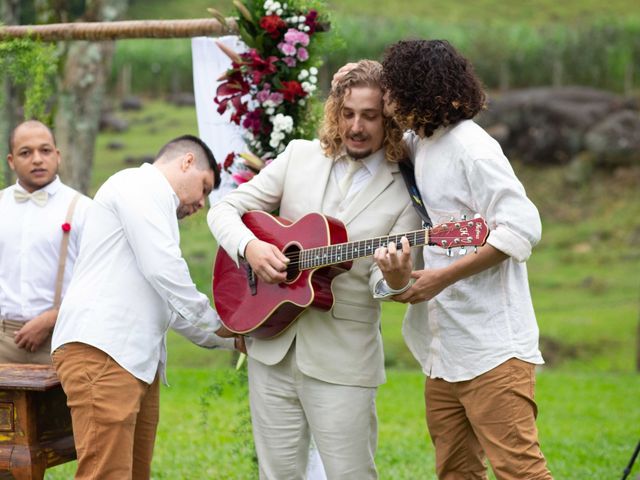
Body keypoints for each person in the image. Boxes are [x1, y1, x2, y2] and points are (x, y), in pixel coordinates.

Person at [208, 60, 421, 479]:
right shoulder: (299, 156)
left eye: (370, 116)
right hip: (272, 345)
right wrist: (250, 247)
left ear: (389, 120)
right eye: (347, 114)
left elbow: (386, 283)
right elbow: (226, 208)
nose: (356, 126)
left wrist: (395, 279)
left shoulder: (405, 189)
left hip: (344, 359)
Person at [372, 40, 553, 479]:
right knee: (455, 472)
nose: (385, 100)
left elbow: (522, 226)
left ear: (416, 89)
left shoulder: (473, 148)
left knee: (521, 471)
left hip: (492, 349)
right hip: (443, 351)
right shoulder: (420, 142)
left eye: (391, 89)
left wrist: (442, 277)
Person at [51, 134, 240, 479]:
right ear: (186, 162)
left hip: (133, 361)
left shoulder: (157, 208)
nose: (202, 202)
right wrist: (215, 322)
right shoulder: (136, 184)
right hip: (103, 351)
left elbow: (168, 300)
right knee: (106, 474)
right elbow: (164, 268)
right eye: (205, 187)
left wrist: (231, 339)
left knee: (135, 473)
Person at [0, 120, 91, 364]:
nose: (38, 159)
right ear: (11, 161)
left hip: (63, 337)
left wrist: (52, 318)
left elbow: (99, 281)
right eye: (26, 153)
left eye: (45, 150)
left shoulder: (83, 209)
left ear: (57, 156)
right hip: (4, 339)